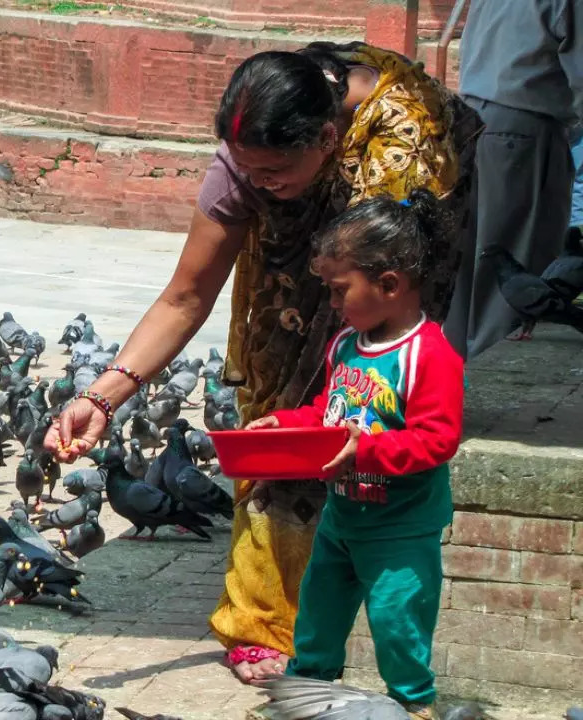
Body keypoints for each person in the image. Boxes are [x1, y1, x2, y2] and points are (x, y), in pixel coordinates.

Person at [43, 43, 480, 685]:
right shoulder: (245, 161)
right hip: (305, 290)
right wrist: (104, 397)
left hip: (392, 249)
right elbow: (187, 294)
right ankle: (271, 620)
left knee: (373, 397)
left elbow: (400, 288)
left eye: (274, 174)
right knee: (283, 420)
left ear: (329, 138)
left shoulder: (404, 151)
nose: (258, 185)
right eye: (248, 171)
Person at [247, 190, 463, 720]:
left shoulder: (430, 354)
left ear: (389, 285)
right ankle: (306, 699)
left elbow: (438, 439)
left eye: (340, 291)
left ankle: (414, 708)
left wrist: (366, 450)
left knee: (398, 624)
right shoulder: (346, 344)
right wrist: (286, 423)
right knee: (318, 617)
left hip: (400, 527)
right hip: (341, 517)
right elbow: (329, 411)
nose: (334, 305)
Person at [446, 0, 583, 359]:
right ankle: (487, 374)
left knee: (471, 263)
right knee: (511, 267)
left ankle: (455, 379)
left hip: (472, 120)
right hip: (524, 128)